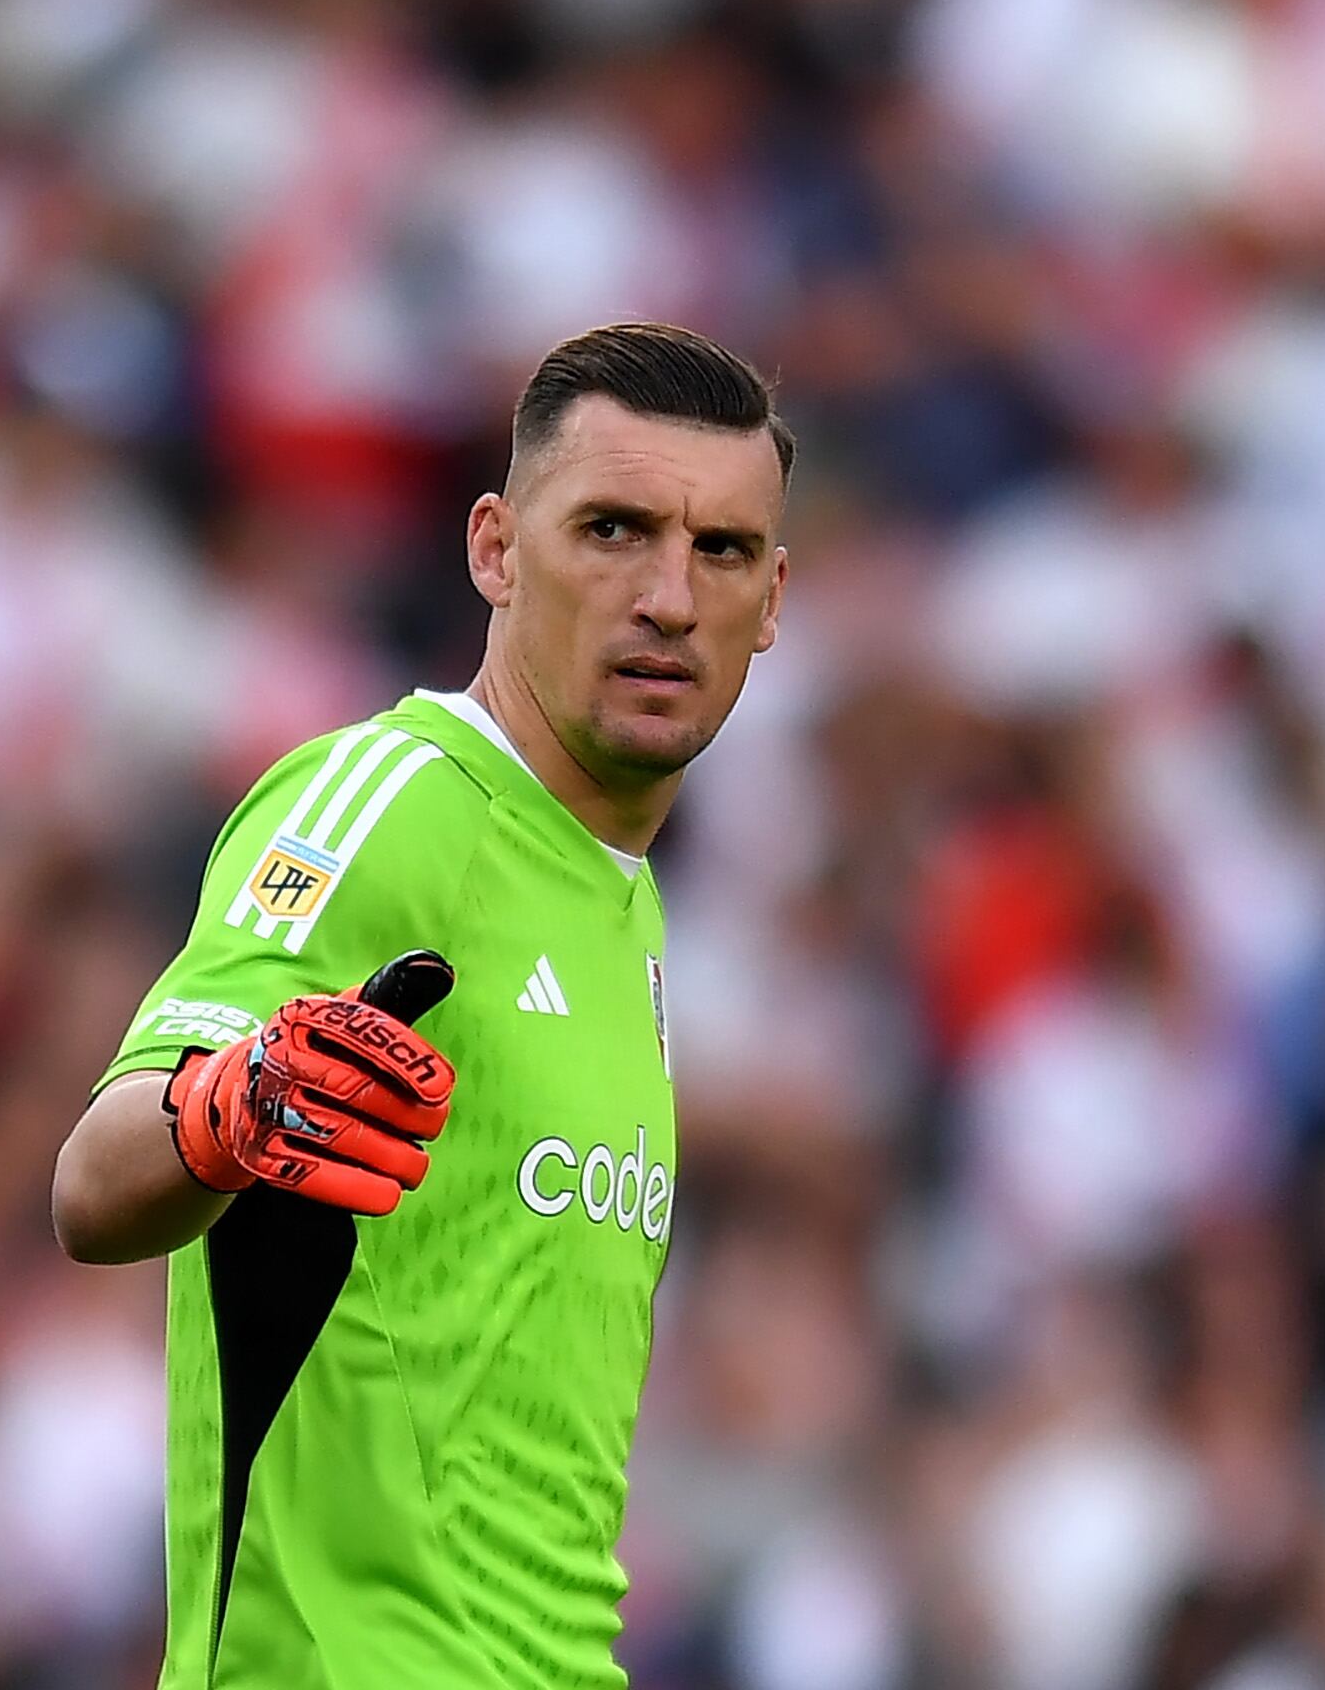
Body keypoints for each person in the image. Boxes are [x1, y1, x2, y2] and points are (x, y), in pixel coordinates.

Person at [51, 322, 792, 1688]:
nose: (671, 598)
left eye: (722, 550)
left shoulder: (617, 897)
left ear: (774, 596)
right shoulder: (391, 807)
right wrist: (229, 1113)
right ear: (496, 549)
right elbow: (96, 1185)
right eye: (615, 531)